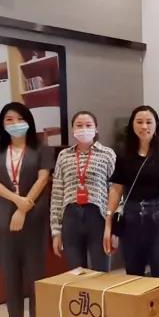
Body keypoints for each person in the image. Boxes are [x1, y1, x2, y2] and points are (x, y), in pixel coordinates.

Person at [0, 103, 52, 317]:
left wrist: (25, 207)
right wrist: (16, 201)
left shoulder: (41, 148)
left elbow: (43, 178)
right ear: (3, 124)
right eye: (9, 120)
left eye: (19, 119)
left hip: (33, 216)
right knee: (10, 272)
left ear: (28, 121)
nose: (15, 124)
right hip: (3, 216)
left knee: (35, 271)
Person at [104, 105, 159, 278]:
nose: (144, 126)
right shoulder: (123, 153)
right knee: (133, 275)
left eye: (149, 122)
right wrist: (108, 224)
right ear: (132, 125)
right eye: (139, 122)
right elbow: (116, 189)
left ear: (156, 125)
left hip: (158, 217)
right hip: (130, 217)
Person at [50, 111, 116, 271]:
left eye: (88, 125)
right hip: (71, 217)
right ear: (73, 129)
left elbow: (116, 191)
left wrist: (115, 227)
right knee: (76, 273)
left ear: (96, 128)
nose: (83, 129)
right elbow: (57, 193)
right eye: (79, 126)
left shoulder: (107, 154)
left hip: (98, 217)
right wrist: (56, 231)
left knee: (101, 272)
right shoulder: (64, 156)